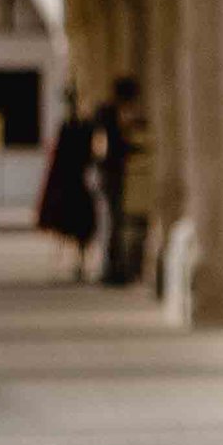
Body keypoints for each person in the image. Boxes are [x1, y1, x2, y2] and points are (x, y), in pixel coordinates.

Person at [86, 74, 144, 288]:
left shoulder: (109, 113)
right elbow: (107, 146)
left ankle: (112, 266)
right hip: (106, 173)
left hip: (105, 172)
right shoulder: (108, 114)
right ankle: (109, 268)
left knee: (111, 220)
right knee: (110, 220)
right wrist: (131, 148)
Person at [35, 84, 98, 278]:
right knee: (77, 222)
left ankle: (77, 259)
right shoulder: (80, 127)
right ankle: (78, 259)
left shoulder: (73, 128)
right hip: (75, 181)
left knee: (77, 222)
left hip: (73, 181)